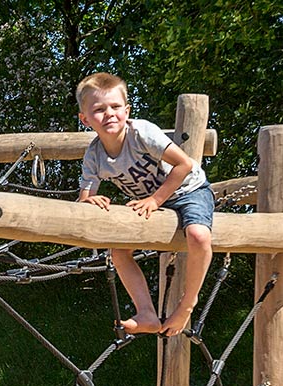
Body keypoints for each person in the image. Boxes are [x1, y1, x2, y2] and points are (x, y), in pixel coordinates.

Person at [75, 72, 215, 336]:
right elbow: (84, 197)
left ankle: (187, 304)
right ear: (85, 119)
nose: (110, 114)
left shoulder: (141, 133)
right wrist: (89, 199)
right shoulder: (94, 154)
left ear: (127, 110)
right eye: (99, 109)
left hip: (189, 190)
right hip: (150, 203)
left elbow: (184, 164)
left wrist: (155, 199)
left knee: (198, 235)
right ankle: (147, 314)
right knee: (118, 251)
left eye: (116, 107)